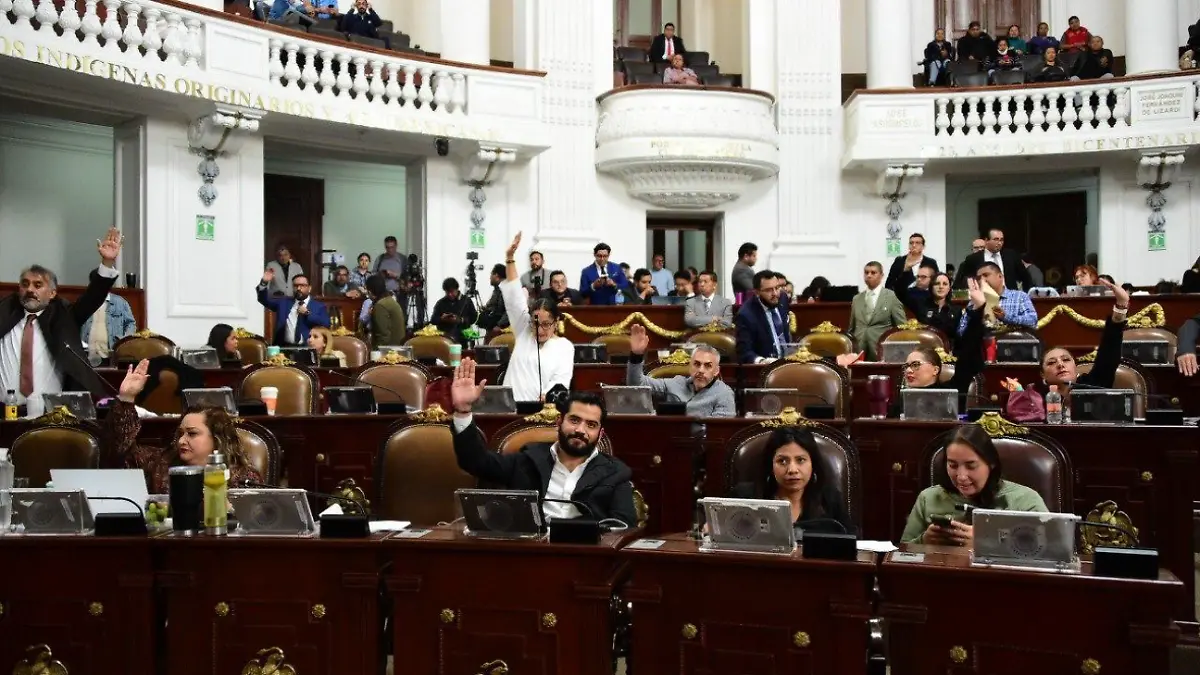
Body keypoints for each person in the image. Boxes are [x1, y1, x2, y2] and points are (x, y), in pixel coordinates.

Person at [449, 358, 636, 526]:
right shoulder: (528, 459)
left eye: (591, 425)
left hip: (586, 556)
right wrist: (463, 410)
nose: (581, 430)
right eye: (574, 420)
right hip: (530, 553)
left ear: (600, 432)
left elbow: (623, 525)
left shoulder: (615, 473)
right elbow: (475, 461)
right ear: (559, 422)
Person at [0, 227, 122, 416]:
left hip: (53, 414)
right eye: (25, 284)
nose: (30, 289)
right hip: (4, 413)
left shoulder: (63, 316)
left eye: (38, 285)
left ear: (52, 293)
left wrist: (107, 262)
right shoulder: (4, 313)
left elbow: (92, 297)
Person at [102, 359, 261, 493]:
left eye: (192, 434)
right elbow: (120, 451)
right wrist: (127, 397)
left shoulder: (243, 478)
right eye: (180, 434)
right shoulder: (162, 462)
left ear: (217, 438)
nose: (181, 441)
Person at [900, 424, 1048, 546]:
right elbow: (902, 555)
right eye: (952, 465)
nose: (961, 476)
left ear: (991, 463)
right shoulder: (929, 498)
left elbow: (1052, 553)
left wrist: (987, 543)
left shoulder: (1025, 501)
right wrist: (924, 541)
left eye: (971, 466)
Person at [1003, 280, 1130, 418]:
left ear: (1076, 367)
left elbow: (1108, 355)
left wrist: (1121, 307)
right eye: (1051, 362)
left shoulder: (1092, 385)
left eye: (1066, 359)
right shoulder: (1034, 398)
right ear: (1043, 375)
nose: (1060, 364)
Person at [731, 427, 854, 536]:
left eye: (800, 460)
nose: (792, 470)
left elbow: (853, 543)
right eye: (782, 461)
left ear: (813, 464)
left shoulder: (830, 500)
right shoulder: (744, 497)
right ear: (770, 465)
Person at [497, 233, 574, 401]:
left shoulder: (565, 346)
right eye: (535, 323)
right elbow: (515, 296)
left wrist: (549, 395)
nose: (539, 329)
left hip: (540, 411)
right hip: (508, 407)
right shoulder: (524, 330)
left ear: (556, 322)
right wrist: (510, 257)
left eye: (546, 324)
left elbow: (561, 380)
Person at [901, 278, 988, 400]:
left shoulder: (949, 392)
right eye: (906, 366)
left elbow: (968, 351)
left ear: (935, 370)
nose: (909, 370)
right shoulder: (901, 399)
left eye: (915, 365)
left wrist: (978, 310)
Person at [626, 324, 735, 417]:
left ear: (716, 371)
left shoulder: (724, 394)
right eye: (696, 364)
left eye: (707, 366)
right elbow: (637, 385)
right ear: (690, 366)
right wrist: (636, 355)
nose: (701, 370)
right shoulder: (676, 383)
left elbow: (719, 433)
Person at [957, 262, 1037, 336]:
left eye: (986, 275)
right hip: (982, 346)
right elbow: (961, 331)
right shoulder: (974, 301)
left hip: (1012, 345)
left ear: (1000, 276)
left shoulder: (1019, 296)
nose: (982, 280)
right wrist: (976, 310)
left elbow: (1032, 321)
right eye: (978, 278)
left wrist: (1006, 317)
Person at [848, 262, 907, 361]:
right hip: (859, 350)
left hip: (881, 349)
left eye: (873, 272)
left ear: (881, 275)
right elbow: (852, 327)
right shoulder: (856, 299)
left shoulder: (890, 297)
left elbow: (901, 327)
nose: (869, 275)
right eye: (866, 272)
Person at [256, 270, 330, 346]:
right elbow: (263, 300)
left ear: (309, 288)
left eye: (302, 285)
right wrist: (264, 283)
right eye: (295, 286)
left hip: (307, 347)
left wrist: (307, 313)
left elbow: (326, 324)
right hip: (285, 347)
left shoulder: (319, 306)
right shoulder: (283, 303)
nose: (298, 288)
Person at [735, 270, 791, 364]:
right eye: (769, 290)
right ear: (757, 292)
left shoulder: (782, 298)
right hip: (764, 368)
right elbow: (744, 352)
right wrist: (762, 361)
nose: (775, 294)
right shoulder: (746, 315)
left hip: (787, 362)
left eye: (777, 288)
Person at [955, 228, 1032, 290]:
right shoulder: (973, 258)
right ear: (986, 240)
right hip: (984, 298)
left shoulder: (1011, 255)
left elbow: (1025, 277)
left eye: (1001, 240)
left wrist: (1026, 295)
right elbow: (964, 281)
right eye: (996, 239)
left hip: (1009, 298)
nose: (999, 243)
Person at [80, 292, 137, 361]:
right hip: (87, 353)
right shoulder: (85, 301)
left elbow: (131, 323)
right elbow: (74, 323)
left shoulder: (120, 302)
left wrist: (123, 341)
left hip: (112, 352)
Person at [914, 272, 961, 350]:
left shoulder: (956, 310)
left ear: (949, 288)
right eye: (937, 284)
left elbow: (958, 337)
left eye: (945, 284)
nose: (941, 287)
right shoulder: (921, 306)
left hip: (948, 352)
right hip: (926, 350)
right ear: (931, 286)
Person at [430, 278, 477, 345]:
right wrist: (442, 319)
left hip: (463, 339)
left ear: (457, 289)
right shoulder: (441, 303)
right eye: (447, 292)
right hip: (445, 340)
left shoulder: (466, 301)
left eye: (452, 291)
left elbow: (473, 318)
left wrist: (461, 320)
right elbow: (433, 320)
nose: (450, 294)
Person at [364, 275, 405, 347]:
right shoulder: (389, 300)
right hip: (397, 346)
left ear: (370, 292)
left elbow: (383, 336)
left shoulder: (380, 306)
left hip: (389, 351)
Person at [476, 264, 510, 331]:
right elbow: (494, 305)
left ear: (496, 275)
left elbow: (510, 312)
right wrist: (486, 308)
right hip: (498, 322)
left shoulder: (507, 289)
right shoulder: (497, 289)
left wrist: (499, 325)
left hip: (504, 326)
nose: (490, 277)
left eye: (491, 274)